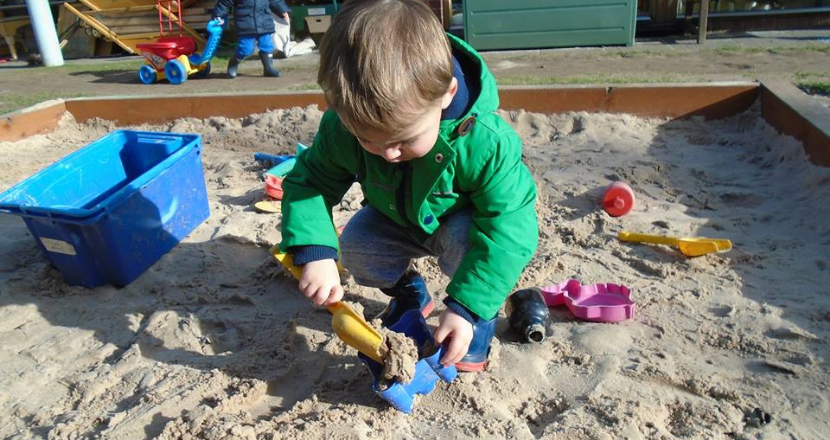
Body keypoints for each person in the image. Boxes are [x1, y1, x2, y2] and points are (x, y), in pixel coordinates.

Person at [279, 0, 538, 372]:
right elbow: (310, 182)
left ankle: (474, 319)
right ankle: (407, 290)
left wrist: (466, 307)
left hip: (459, 225)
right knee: (356, 246)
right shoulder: (344, 128)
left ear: (446, 94)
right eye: (369, 141)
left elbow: (511, 229)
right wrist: (314, 250)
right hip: (393, 218)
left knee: (474, 248)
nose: (388, 153)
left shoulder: (485, 142)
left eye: (405, 139)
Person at [212, 0, 290, 78]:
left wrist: (282, 10)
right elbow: (224, 3)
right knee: (245, 49)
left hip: (264, 22)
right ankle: (233, 64)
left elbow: (275, 1)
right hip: (246, 24)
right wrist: (218, 15)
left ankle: (268, 68)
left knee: (267, 46)